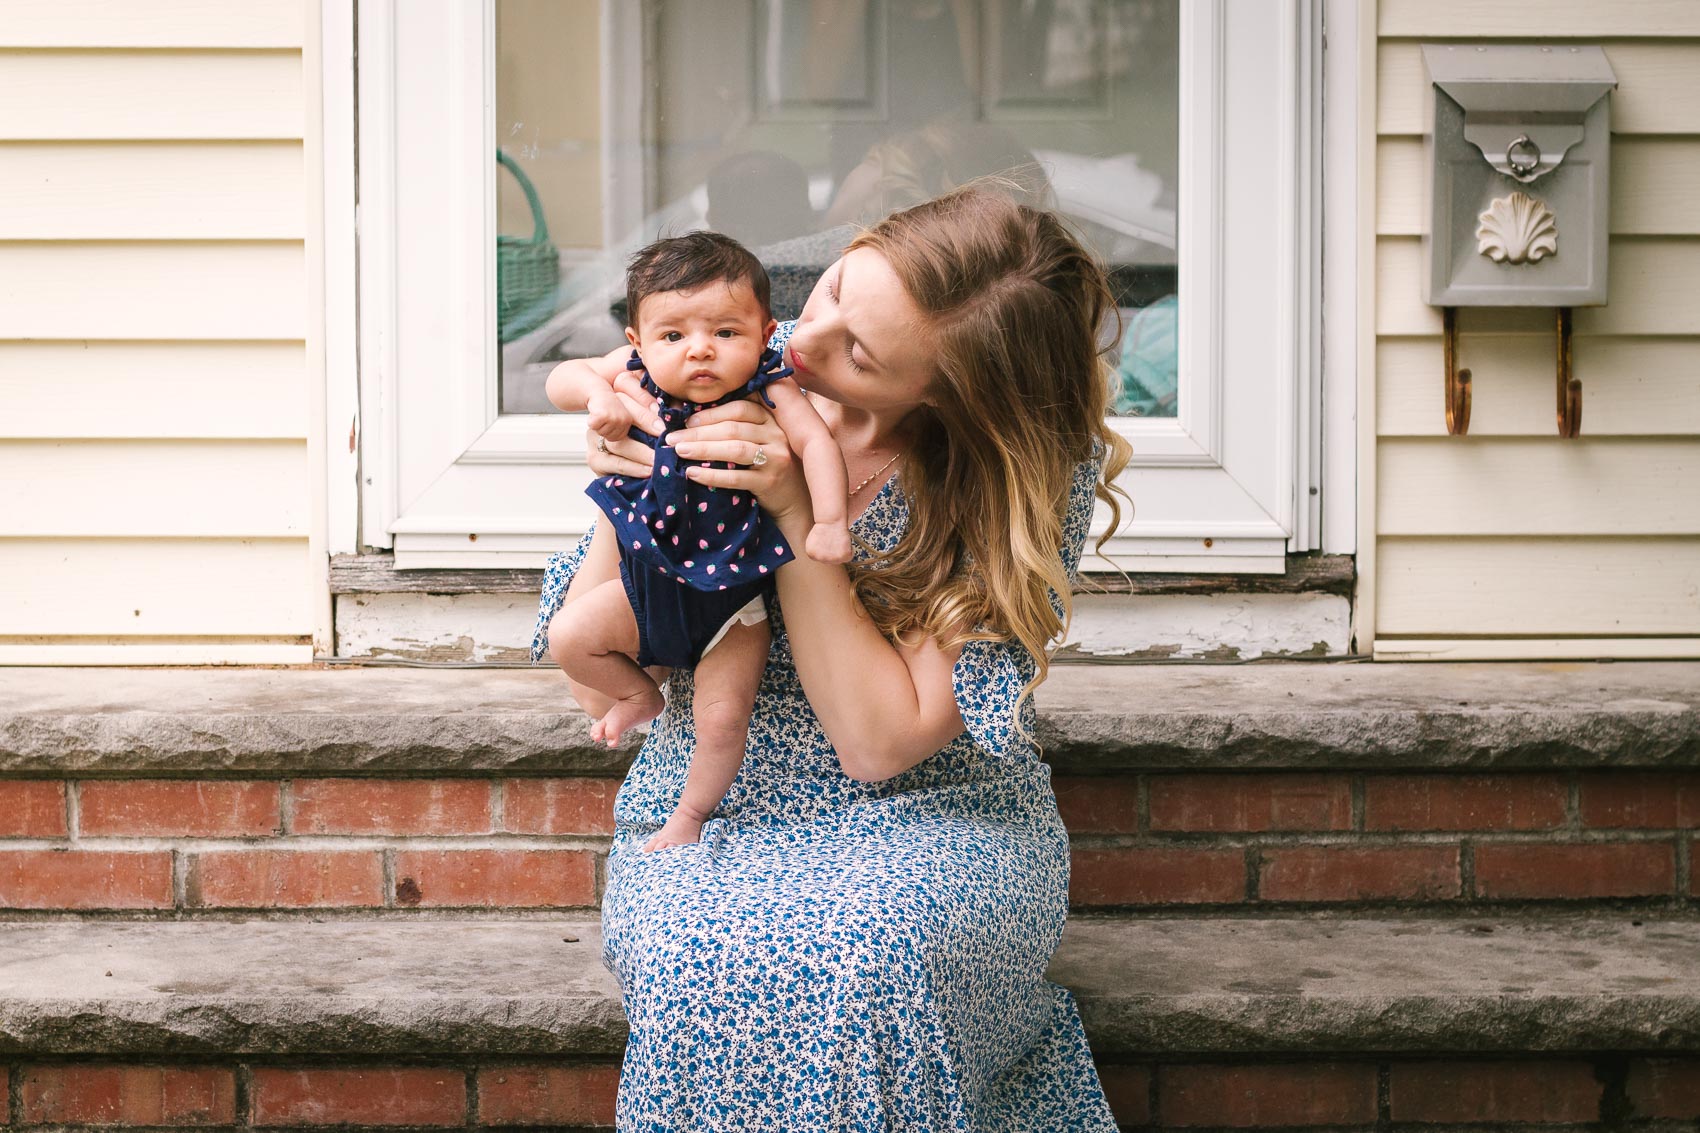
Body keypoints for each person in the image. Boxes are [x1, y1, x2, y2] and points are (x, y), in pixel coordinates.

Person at [528, 185, 1133, 1128]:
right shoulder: (727, 360)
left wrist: (796, 515)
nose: (808, 343)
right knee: (700, 964)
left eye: (860, 351)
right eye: (837, 287)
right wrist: (626, 477)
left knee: (874, 962)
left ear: (950, 394)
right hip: (713, 806)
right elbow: (585, 671)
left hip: (938, 819)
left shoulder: (1005, 478)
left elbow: (880, 746)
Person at [541, 232, 851, 854]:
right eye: (674, 335)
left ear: (765, 333)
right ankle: (639, 695)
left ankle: (689, 816)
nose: (700, 350)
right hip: (646, 584)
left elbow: (817, 445)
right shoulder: (633, 375)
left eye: (725, 333)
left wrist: (829, 521)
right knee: (569, 636)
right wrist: (598, 397)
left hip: (734, 604)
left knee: (720, 719)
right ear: (639, 341)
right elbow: (562, 377)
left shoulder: (769, 387)